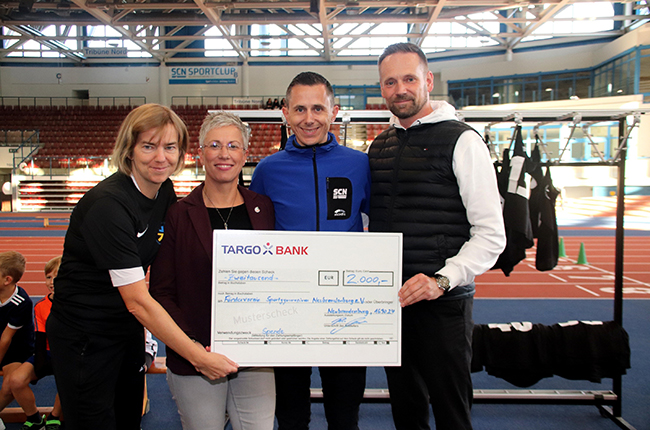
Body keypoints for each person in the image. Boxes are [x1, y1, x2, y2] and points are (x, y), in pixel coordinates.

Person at [46, 103, 238, 430]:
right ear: (130, 150)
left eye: (169, 147)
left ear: (181, 153)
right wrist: (197, 356)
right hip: (85, 337)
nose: (160, 157)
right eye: (148, 146)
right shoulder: (109, 206)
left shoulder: (164, 191)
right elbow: (137, 300)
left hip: (126, 331)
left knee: (128, 418)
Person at [367, 42, 506, 430]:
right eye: (390, 82)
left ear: (427, 80)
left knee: (451, 411)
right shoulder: (379, 146)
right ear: (382, 89)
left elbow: (492, 235)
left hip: (443, 306)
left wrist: (441, 280)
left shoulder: (463, 141)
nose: (401, 90)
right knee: (406, 410)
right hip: (394, 303)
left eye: (409, 79)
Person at [249, 71, 371, 430]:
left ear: (333, 111)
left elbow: (381, 227)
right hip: (287, 308)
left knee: (345, 415)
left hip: (345, 308)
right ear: (285, 113)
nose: (309, 118)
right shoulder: (268, 170)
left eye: (318, 108)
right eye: (299, 109)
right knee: (290, 415)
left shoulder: (359, 164)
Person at [150, 111, 275, 430]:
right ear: (201, 153)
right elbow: (161, 292)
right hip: (196, 359)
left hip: (255, 358)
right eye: (215, 145)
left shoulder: (264, 208)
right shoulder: (177, 215)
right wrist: (194, 348)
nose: (224, 153)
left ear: (245, 155)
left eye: (233, 146)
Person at [4, 256, 63, 430]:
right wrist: (40, 362)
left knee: (68, 380)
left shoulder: (75, 305)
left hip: (67, 354)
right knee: (16, 380)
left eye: (57, 277)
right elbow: (40, 335)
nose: (52, 282)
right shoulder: (40, 306)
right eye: (48, 277)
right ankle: (34, 417)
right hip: (45, 352)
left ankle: (54, 416)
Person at [0, 251, 35, 423]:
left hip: (17, 349)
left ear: (7, 280)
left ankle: (34, 418)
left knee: (9, 385)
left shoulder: (21, 302)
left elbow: (6, 339)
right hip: (1, 344)